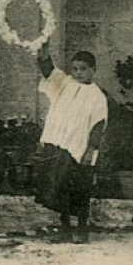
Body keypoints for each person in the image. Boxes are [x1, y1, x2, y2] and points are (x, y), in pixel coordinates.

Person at [34, 43, 108, 243]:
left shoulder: (97, 97)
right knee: (60, 188)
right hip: (59, 144)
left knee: (81, 190)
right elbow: (49, 72)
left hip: (80, 148)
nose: (78, 73)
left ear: (93, 70)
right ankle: (64, 228)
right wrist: (45, 56)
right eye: (75, 69)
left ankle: (82, 229)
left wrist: (90, 149)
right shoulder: (65, 84)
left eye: (83, 69)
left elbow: (98, 125)